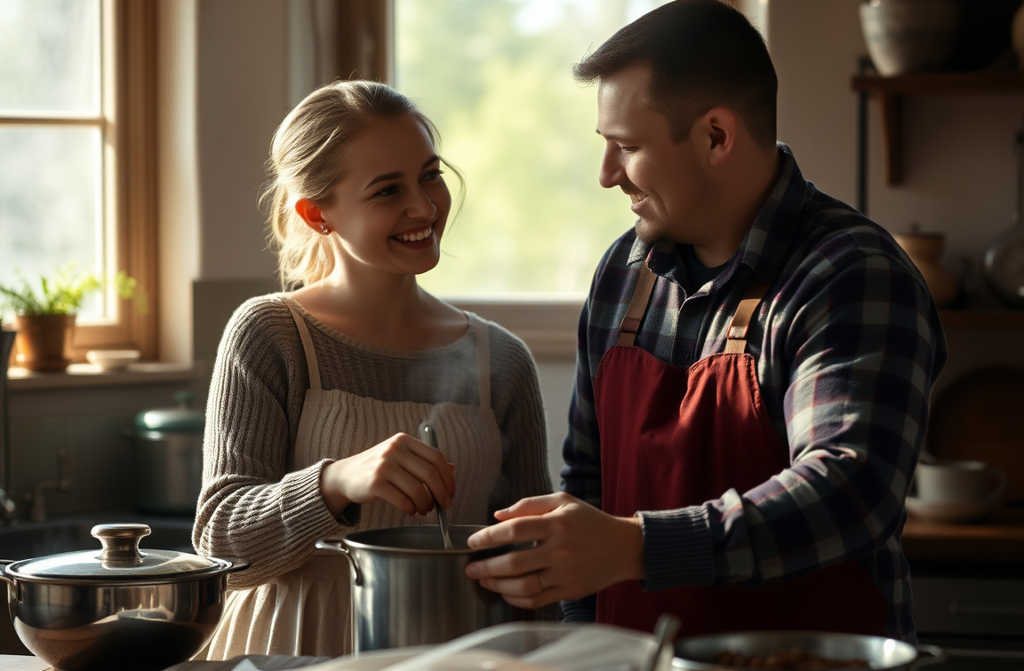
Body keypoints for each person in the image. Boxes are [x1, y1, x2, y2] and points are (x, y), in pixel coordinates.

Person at [464, 0, 946, 642]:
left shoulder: (852, 275)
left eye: (627, 147)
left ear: (717, 136)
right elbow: (589, 485)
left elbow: (847, 491)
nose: (605, 176)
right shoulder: (621, 275)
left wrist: (636, 548)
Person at [192, 80, 551, 658]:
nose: (424, 206)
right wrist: (336, 482)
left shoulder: (502, 359)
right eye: (388, 191)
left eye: (430, 175)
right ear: (317, 214)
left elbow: (534, 560)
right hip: (293, 650)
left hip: (456, 652)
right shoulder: (270, 334)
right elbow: (221, 546)